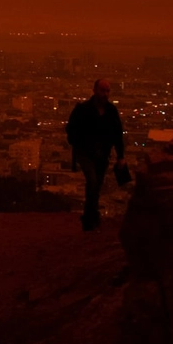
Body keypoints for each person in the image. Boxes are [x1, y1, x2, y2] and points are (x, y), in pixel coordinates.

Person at [66, 77, 126, 232]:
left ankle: (90, 216)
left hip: (102, 155)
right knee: (93, 181)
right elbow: (71, 129)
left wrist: (121, 156)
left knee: (96, 185)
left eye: (107, 91)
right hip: (85, 152)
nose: (105, 94)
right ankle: (91, 218)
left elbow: (117, 134)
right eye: (102, 90)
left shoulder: (111, 112)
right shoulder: (83, 109)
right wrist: (78, 143)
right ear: (94, 91)